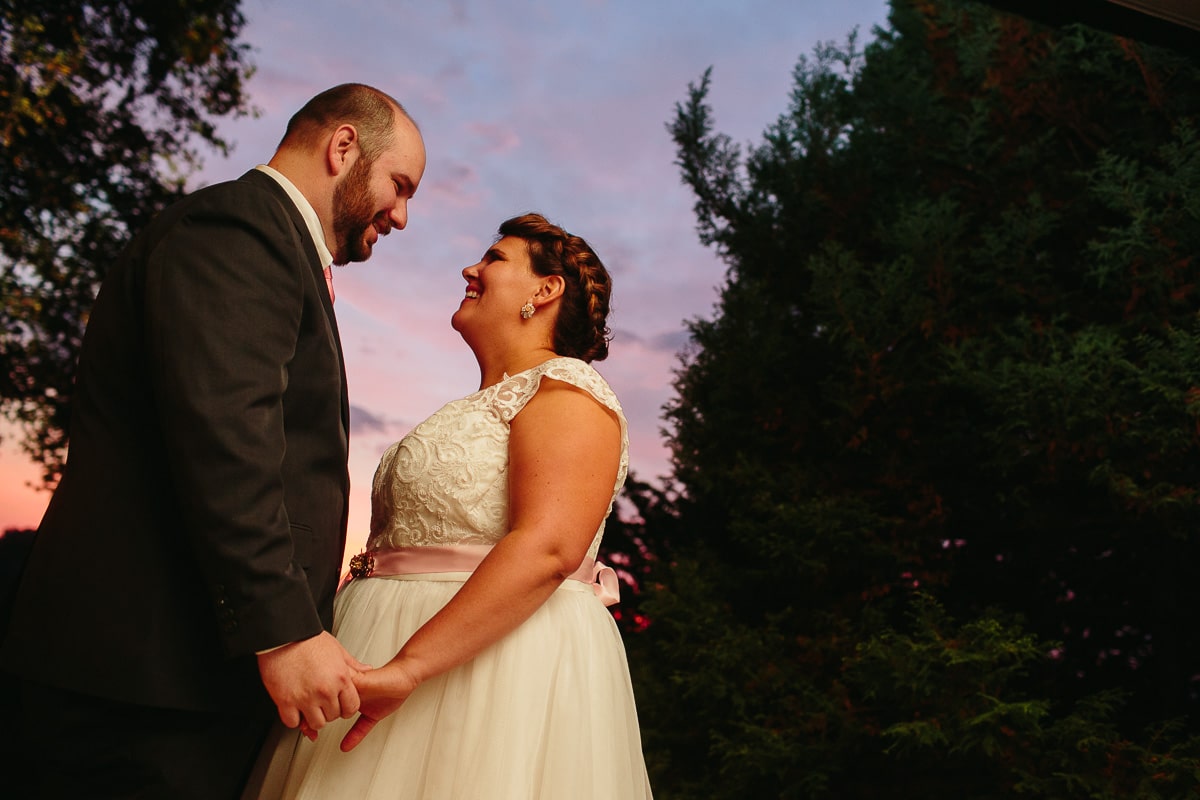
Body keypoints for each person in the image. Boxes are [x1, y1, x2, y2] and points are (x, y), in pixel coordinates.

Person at [0, 83, 427, 799]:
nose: (403, 216)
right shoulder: (241, 229)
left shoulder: (267, 242)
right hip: (144, 687)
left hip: (176, 682)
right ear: (344, 146)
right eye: (400, 185)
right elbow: (226, 436)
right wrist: (286, 632)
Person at [258, 213, 653, 799]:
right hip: (374, 649)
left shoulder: (567, 387)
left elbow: (548, 547)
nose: (471, 268)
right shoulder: (481, 404)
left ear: (546, 290)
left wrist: (408, 667)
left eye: (495, 259)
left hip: (485, 676)